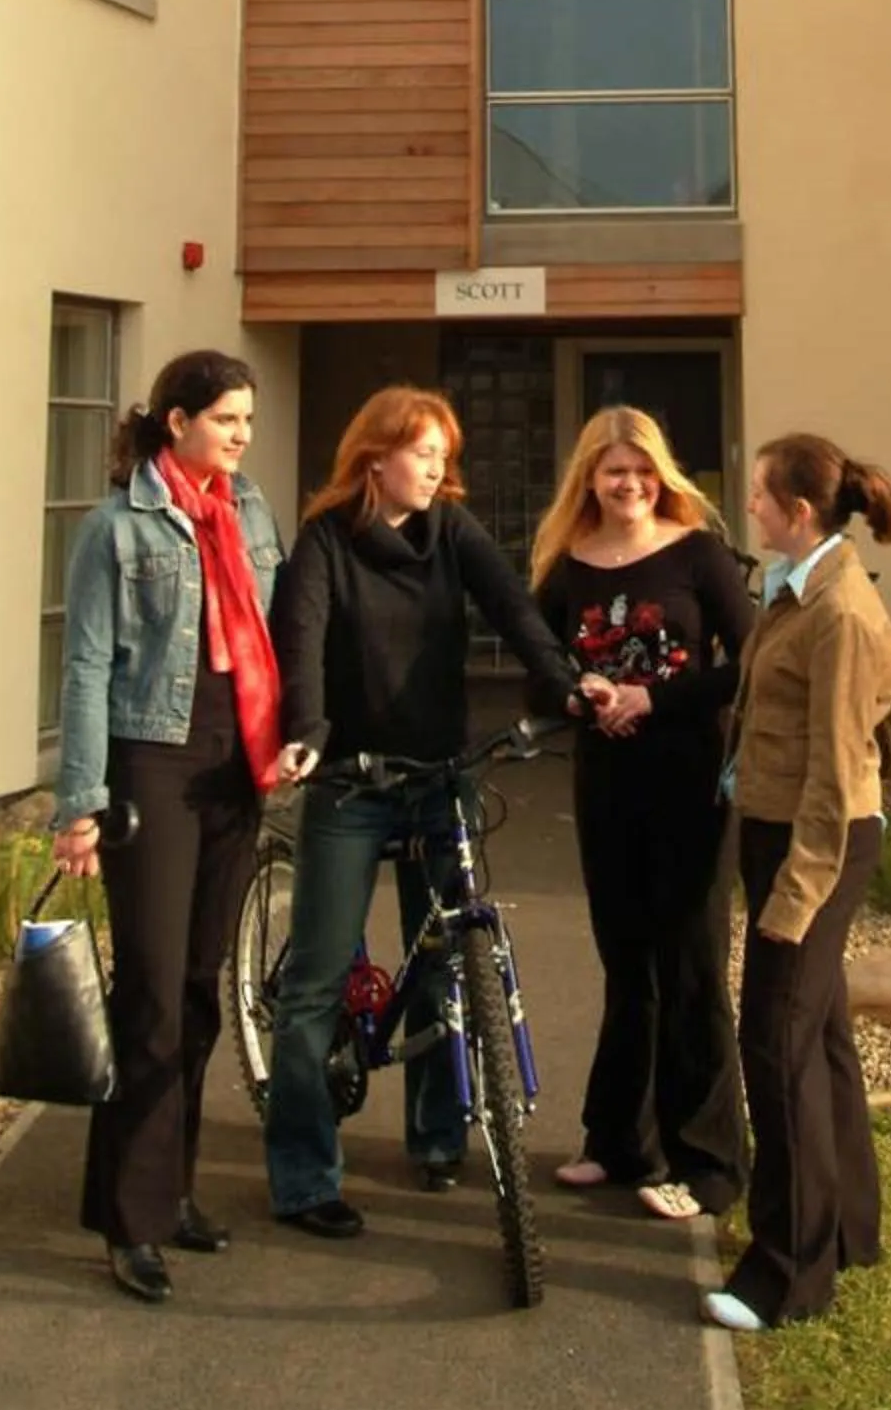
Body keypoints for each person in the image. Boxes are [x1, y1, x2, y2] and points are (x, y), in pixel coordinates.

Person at [263, 385, 597, 1236]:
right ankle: (304, 1178)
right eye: (424, 453)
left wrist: (563, 684)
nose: (440, 468)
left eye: (445, 455)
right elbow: (298, 644)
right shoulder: (325, 544)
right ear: (375, 457)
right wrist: (304, 732)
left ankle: (437, 1134)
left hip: (440, 775)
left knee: (444, 960)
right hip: (351, 782)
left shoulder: (452, 532)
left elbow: (513, 610)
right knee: (314, 985)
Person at [52, 350, 301, 1304]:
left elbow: (277, 636)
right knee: (150, 995)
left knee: (202, 989)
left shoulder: (250, 513)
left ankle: (175, 1189)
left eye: (248, 420)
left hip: (235, 763)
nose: (242, 435)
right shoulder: (116, 530)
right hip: (149, 758)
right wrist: (79, 802)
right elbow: (82, 669)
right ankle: (128, 1217)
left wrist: (295, 737)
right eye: (227, 419)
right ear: (177, 423)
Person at [529, 405, 755, 1221]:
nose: (630, 485)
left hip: (692, 780)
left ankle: (711, 1164)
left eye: (643, 471)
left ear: (662, 475)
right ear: (588, 478)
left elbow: (749, 661)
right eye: (614, 471)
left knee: (691, 963)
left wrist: (651, 698)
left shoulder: (698, 554)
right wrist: (583, 693)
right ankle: (620, 1141)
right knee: (627, 963)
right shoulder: (567, 567)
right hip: (606, 782)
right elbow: (539, 668)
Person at [703, 431, 891, 1334]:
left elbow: (836, 773)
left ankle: (787, 1273)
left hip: (816, 845)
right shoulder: (797, 589)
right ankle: (850, 1228)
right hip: (782, 830)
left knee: (775, 1046)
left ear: (801, 512)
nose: (750, 505)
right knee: (819, 1037)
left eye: (759, 496)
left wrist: (795, 896)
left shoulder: (841, 613)